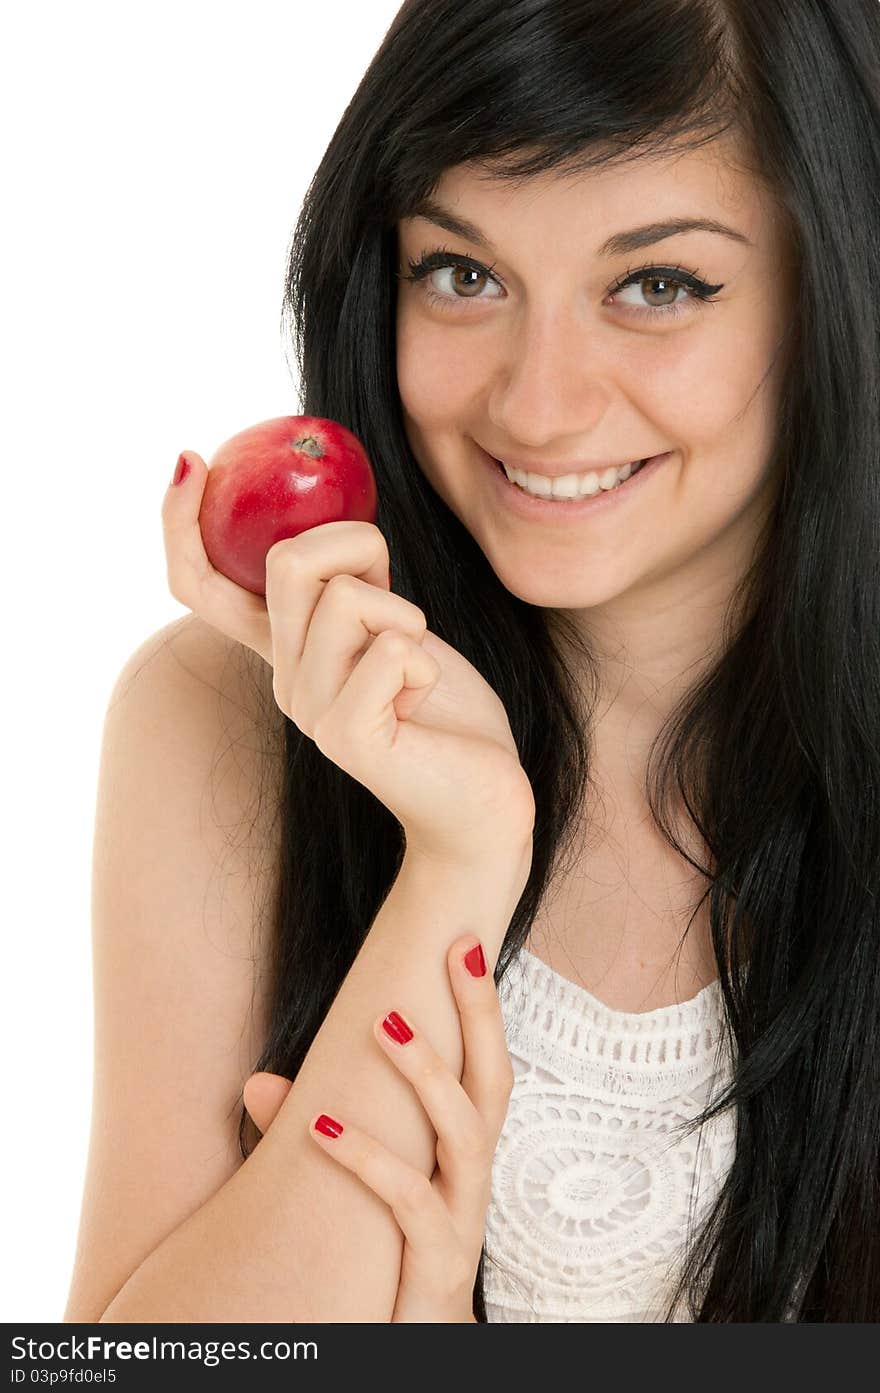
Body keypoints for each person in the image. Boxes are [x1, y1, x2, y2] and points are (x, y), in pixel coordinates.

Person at [64, 0, 880, 1323]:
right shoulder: (223, 720)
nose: (538, 402)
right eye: (463, 272)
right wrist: (460, 852)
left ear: (833, 278)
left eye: (657, 284)